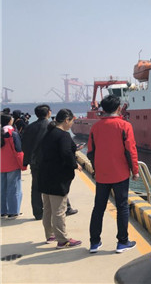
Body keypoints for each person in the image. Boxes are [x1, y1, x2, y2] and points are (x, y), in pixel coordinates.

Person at [87, 94, 139, 254]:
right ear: (118, 108)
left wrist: (96, 169)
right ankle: (122, 242)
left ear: (103, 109)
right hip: (120, 173)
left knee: (98, 207)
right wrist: (135, 171)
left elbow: (90, 152)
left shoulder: (95, 127)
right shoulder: (125, 126)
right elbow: (130, 150)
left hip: (102, 174)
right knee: (122, 207)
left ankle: (94, 243)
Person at [22, 105, 79, 220]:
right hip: (48, 161)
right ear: (48, 113)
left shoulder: (30, 127)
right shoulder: (51, 126)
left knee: (36, 187)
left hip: (34, 161)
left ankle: (38, 212)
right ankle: (66, 208)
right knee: (58, 185)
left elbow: (25, 144)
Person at [38, 109, 82, 248]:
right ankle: (62, 239)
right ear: (66, 120)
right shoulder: (63, 135)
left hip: (45, 175)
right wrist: (75, 164)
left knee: (48, 208)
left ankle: (50, 235)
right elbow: (66, 152)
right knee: (59, 210)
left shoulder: (48, 133)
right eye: (72, 121)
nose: (71, 124)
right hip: (58, 177)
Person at [1, 113, 26, 219]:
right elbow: (18, 151)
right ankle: (13, 211)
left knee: (2, 188)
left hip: (1, 166)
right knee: (14, 188)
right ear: (10, 121)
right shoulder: (12, 133)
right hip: (12, 165)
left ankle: (3, 211)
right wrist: (23, 164)